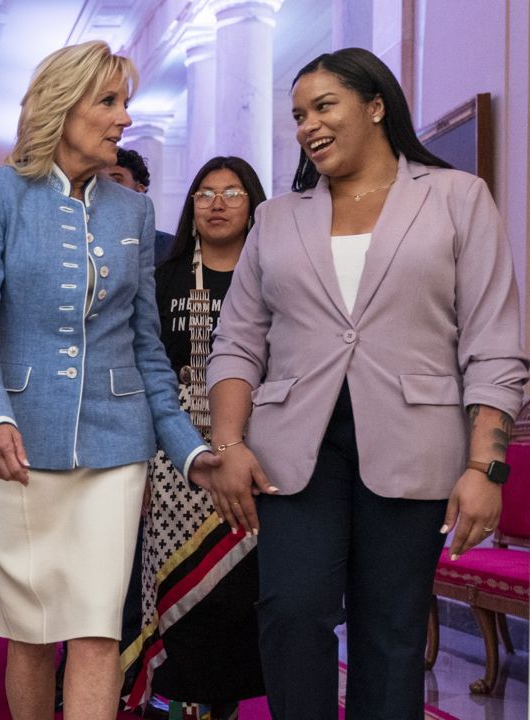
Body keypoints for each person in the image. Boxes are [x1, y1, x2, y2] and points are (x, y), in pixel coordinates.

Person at [204, 47, 527, 719]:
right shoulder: (277, 218)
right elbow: (237, 341)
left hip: (416, 445)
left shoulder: (457, 198)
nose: (307, 126)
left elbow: (494, 344)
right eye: (297, 115)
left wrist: (485, 467)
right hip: (294, 450)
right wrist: (229, 444)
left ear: (375, 106)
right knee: (291, 612)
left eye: (324, 107)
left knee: (393, 631)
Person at [0, 40, 217, 719]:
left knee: (97, 630)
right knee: (31, 636)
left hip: (114, 449)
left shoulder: (133, 212)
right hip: (16, 451)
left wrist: (189, 448)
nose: (125, 119)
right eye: (110, 102)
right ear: (63, 106)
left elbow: (147, 346)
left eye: (125, 102)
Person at [122, 156, 268, 717]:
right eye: (205, 193)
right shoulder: (163, 275)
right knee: (174, 577)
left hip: (253, 442)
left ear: (253, 203)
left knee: (237, 585)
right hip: (172, 448)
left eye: (232, 192)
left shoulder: (273, 272)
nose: (217, 203)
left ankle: (223, 697)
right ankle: (177, 695)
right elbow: (139, 371)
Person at [105, 147, 175, 264]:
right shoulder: (82, 243)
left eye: (116, 180)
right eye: (100, 182)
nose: (106, 188)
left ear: (139, 190)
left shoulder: (170, 248)